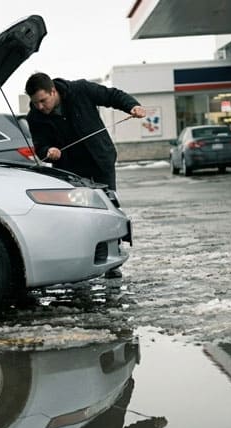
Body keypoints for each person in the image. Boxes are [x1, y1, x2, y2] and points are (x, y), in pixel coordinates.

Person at [25, 73, 146, 279]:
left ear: (53, 91)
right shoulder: (35, 117)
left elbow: (111, 95)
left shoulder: (80, 90)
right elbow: (40, 146)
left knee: (108, 209)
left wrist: (131, 106)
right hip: (70, 170)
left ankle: (111, 262)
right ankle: (78, 261)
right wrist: (49, 150)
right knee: (77, 216)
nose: (40, 107)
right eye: (35, 103)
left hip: (100, 160)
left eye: (43, 101)